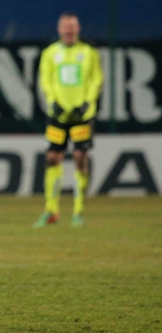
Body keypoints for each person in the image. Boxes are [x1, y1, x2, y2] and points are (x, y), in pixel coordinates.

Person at [33, 13, 103, 228]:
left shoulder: (88, 52)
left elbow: (96, 79)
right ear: (59, 29)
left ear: (78, 29)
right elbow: (46, 79)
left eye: (72, 27)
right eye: (65, 27)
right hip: (58, 115)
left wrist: (87, 102)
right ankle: (51, 210)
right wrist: (53, 102)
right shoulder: (50, 52)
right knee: (53, 157)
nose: (69, 31)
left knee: (80, 157)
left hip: (82, 115)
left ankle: (78, 211)